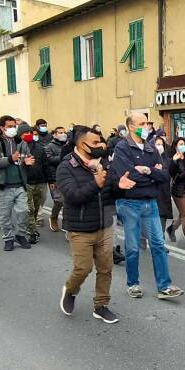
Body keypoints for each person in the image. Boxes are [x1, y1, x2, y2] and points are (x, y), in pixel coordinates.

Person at [57, 126, 132, 324]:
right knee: (83, 268)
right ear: (82, 145)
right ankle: (71, 290)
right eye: (96, 143)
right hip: (80, 228)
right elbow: (73, 196)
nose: (101, 146)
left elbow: (111, 190)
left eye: (100, 142)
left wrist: (120, 188)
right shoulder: (66, 166)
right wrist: (95, 183)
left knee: (106, 268)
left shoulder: (104, 163)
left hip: (105, 225)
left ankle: (101, 306)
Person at [108, 111, 184, 299]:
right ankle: (133, 284)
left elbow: (164, 176)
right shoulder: (122, 148)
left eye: (147, 123)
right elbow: (127, 175)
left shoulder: (151, 148)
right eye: (142, 123)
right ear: (131, 126)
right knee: (133, 247)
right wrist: (151, 174)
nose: (147, 127)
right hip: (129, 203)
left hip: (151, 203)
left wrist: (146, 171)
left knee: (158, 244)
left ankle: (164, 286)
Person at [0, 115, 31, 252]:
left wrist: (27, 162)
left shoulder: (20, 142)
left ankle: (20, 235)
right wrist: (9, 159)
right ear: (2, 127)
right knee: (4, 216)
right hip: (3, 186)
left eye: (14, 126)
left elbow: (26, 156)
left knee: (23, 211)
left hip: (19, 184)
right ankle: (8, 238)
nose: (12, 129)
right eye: (9, 126)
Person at [20, 123, 49, 244]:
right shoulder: (17, 148)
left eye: (30, 133)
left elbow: (46, 165)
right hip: (26, 183)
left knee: (37, 207)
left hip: (40, 182)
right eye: (25, 133)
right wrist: (23, 163)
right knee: (29, 209)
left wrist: (51, 180)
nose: (28, 135)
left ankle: (30, 225)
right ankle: (33, 232)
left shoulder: (39, 148)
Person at [45, 126, 68, 231]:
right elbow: (49, 160)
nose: (63, 134)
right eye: (60, 132)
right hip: (55, 177)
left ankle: (66, 223)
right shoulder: (50, 146)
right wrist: (64, 156)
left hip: (68, 177)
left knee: (68, 201)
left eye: (64, 132)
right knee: (59, 200)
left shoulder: (68, 145)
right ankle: (53, 218)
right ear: (54, 134)